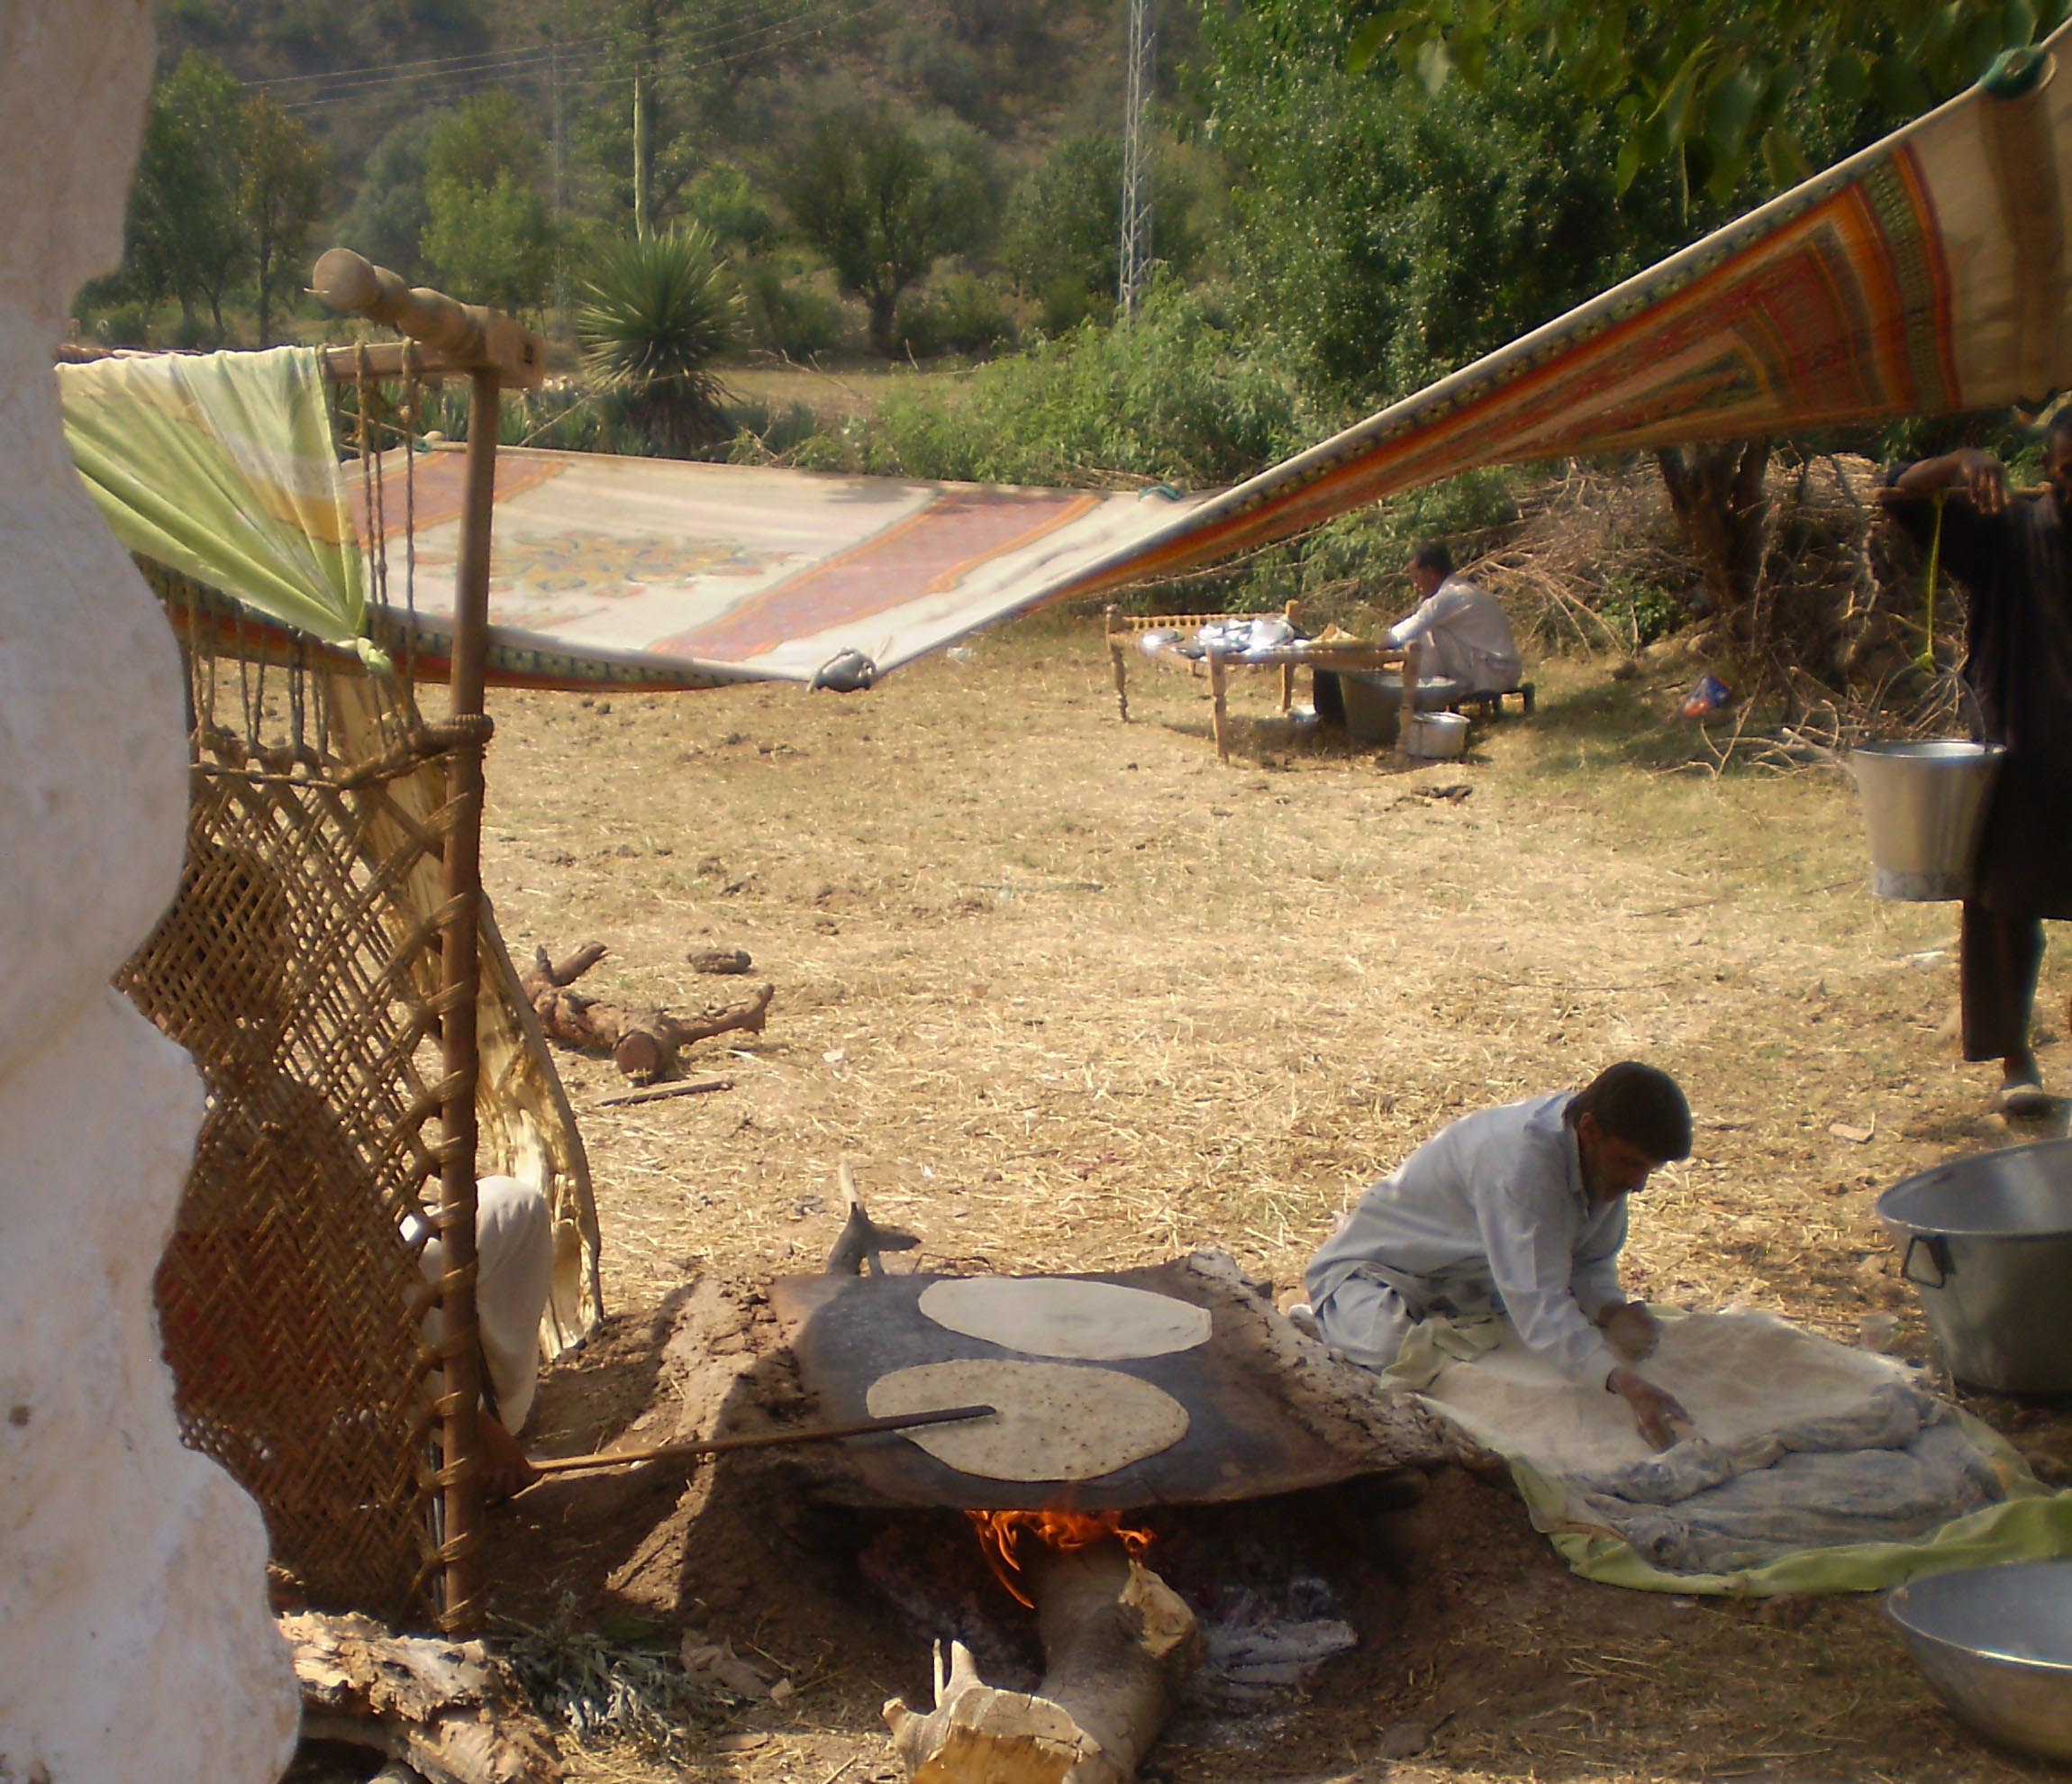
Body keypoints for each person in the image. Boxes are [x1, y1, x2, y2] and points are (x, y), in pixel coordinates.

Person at [1300, 1062, 1695, 1450]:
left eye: (1648, 1171)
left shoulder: (1600, 1159)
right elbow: (1541, 1302)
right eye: (1629, 1164)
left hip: (1476, 1287)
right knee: (1388, 1354)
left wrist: (1611, 1310)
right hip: (1383, 1271)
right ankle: (1324, 1324)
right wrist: (1622, 1382)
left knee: (1537, 1357)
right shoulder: (1522, 1166)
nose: (1638, 1185)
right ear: (1590, 1130)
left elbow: (1588, 1263)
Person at [1884, 420, 2072, 1115]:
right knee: (2004, 907)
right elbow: (1899, 494)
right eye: (2067, 471)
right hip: (2022, 746)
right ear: (2047, 471)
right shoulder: (2006, 532)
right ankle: (2016, 1062)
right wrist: (1960, 462)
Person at [1386, 542, 1523, 697]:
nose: (1415, 585)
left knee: (1426, 634)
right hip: (1499, 670)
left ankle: (1420, 697)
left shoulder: (1448, 597)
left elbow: (1410, 628)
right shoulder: (1460, 590)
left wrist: (1377, 644)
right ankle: (1424, 692)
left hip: (1492, 674)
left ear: (1431, 573)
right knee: (1428, 631)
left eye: (1416, 578)